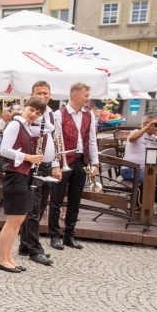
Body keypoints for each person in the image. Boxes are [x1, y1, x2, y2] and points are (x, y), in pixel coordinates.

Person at [0, 96, 47, 273]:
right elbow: (4, 150)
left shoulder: (26, 126)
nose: (34, 114)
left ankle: (9, 257)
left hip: (23, 175)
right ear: (25, 107)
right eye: (32, 109)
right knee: (13, 221)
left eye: (38, 113)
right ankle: (2, 258)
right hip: (14, 176)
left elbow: (50, 127)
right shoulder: (15, 125)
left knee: (19, 220)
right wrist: (28, 157)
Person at [48, 82, 99, 250]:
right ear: (75, 95)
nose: (88, 98)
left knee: (75, 200)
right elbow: (55, 141)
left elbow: (92, 140)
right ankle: (54, 236)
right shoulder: (59, 114)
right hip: (64, 160)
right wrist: (55, 163)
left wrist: (95, 162)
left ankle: (69, 236)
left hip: (81, 160)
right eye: (86, 95)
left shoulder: (89, 115)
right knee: (56, 200)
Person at [19, 81, 60, 266]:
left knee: (41, 206)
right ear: (31, 95)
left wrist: (56, 163)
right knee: (33, 209)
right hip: (34, 164)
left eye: (45, 93)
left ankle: (25, 244)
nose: (43, 96)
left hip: (47, 164)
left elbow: (54, 138)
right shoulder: (30, 116)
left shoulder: (50, 113)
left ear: (50, 95)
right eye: (39, 93)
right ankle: (35, 249)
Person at [121, 115, 157, 185]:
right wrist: (147, 127)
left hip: (148, 171)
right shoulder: (136, 132)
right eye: (156, 124)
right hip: (130, 169)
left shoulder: (156, 138)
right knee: (150, 180)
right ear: (145, 124)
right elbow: (132, 139)